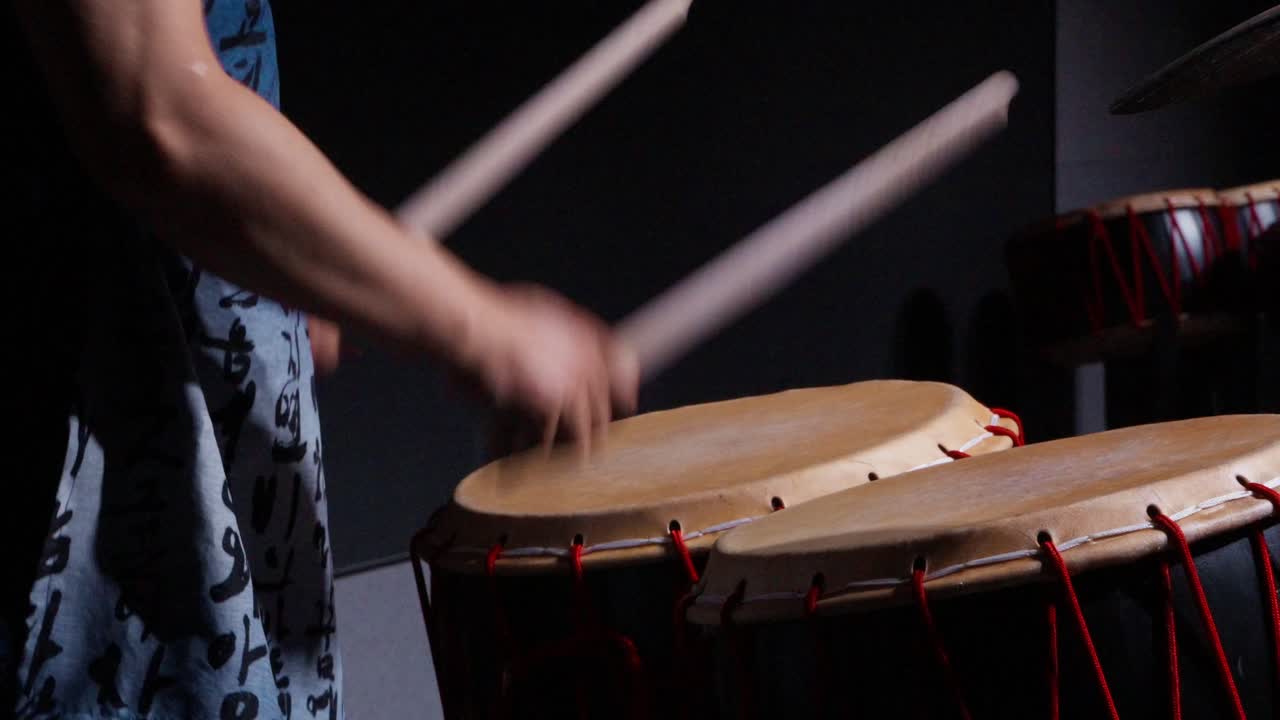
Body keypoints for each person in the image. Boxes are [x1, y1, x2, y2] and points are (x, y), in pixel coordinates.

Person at [2, 1, 638, 717]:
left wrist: (279, 277)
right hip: (75, 572)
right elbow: (159, 117)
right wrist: (482, 327)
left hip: (185, 534)